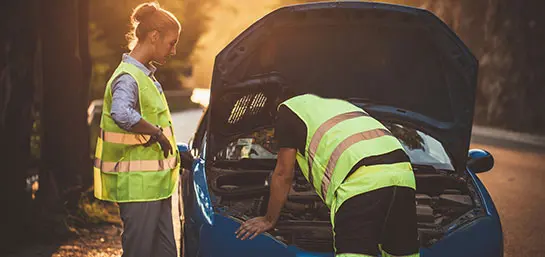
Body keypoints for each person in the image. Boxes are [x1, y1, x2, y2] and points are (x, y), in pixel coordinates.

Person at [235, 93, 420, 257]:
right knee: (402, 253)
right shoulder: (338, 106)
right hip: (403, 174)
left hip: (362, 181)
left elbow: (283, 173)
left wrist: (269, 219)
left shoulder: (287, 110)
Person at [93, 2, 181, 257]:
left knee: (165, 253)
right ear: (154, 36)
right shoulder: (128, 77)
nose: (173, 50)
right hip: (139, 188)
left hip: (156, 186)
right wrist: (156, 133)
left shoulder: (145, 76)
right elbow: (120, 113)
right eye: (171, 43)